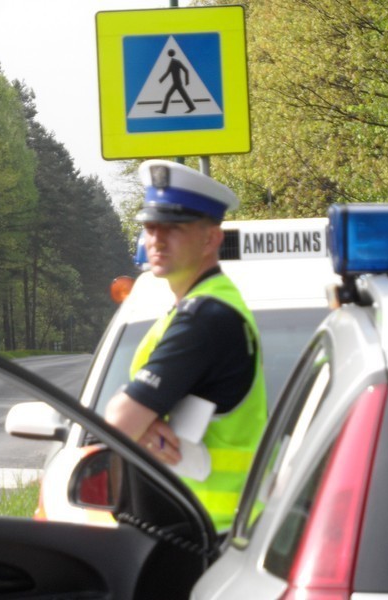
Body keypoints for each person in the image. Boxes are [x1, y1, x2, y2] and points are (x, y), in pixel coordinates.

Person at [105, 159, 267, 531]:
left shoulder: (205, 317)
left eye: (174, 228)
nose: (157, 239)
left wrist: (136, 421)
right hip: (199, 526)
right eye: (150, 227)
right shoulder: (194, 307)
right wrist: (144, 422)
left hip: (206, 533)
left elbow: (117, 422)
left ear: (210, 238)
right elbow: (129, 420)